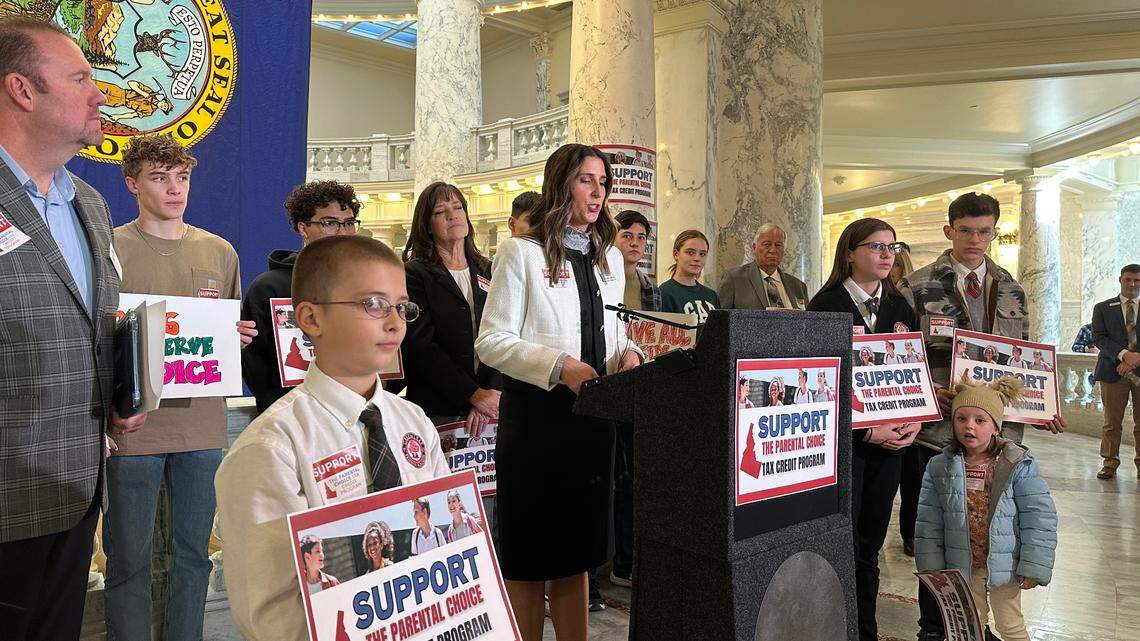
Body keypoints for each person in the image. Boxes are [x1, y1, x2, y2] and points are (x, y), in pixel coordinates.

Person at [215, 236, 449, 641]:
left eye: (402, 307)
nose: (395, 322)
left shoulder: (414, 422)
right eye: (372, 304)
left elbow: (445, 544)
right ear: (310, 319)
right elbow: (273, 612)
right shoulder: (272, 447)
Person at [0, 18, 146, 641]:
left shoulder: (89, 201)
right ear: (22, 90)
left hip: (80, 486)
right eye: (81, 78)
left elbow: (90, 319)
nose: (101, 93)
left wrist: (122, 386)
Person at [475, 143, 641, 641]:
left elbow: (605, 329)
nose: (598, 192)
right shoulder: (520, 252)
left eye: (603, 182)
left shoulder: (608, 255)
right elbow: (491, 341)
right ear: (560, 184)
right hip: (538, 425)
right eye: (586, 180)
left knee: (577, 558)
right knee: (530, 559)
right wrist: (559, 366)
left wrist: (627, 352)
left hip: (592, 426)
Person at [104, 133, 256, 641]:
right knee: (128, 561)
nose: (174, 189)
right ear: (132, 183)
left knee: (193, 556)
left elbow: (227, 338)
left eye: (182, 177)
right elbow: (97, 338)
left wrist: (238, 337)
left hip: (202, 428)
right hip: (135, 429)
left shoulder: (220, 251)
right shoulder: (111, 249)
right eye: (159, 177)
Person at [897, 192, 1064, 641]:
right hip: (938, 437)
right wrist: (931, 394)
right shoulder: (916, 286)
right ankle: (938, 631)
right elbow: (901, 362)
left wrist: (1040, 403)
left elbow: (1023, 357)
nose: (976, 239)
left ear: (994, 231)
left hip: (1001, 439)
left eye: (985, 231)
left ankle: (987, 627)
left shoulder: (1011, 286)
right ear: (949, 231)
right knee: (938, 539)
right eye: (966, 230)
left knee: (997, 535)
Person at [806, 217, 920, 641]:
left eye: (892, 246)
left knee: (870, 547)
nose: (887, 254)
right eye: (876, 246)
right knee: (842, 545)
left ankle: (865, 630)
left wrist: (912, 421)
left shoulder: (900, 307)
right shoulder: (825, 306)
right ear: (850, 253)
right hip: (844, 450)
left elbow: (911, 375)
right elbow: (815, 389)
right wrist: (864, 433)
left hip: (891, 448)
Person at [915, 375, 1057, 641]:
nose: (969, 426)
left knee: (1010, 625)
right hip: (964, 564)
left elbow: (1039, 517)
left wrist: (1034, 565)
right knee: (971, 627)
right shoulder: (939, 467)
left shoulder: (1017, 464)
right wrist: (933, 568)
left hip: (1006, 564)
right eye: (962, 418)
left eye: (980, 420)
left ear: (995, 427)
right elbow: (928, 523)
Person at [242, 180, 363, 414]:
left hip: (357, 413)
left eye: (348, 223)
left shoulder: (367, 284)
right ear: (303, 228)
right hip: (293, 418)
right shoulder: (269, 287)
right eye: (329, 223)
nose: (342, 232)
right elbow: (256, 368)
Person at [400, 181, 502, 434]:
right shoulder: (415, 273)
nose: (452, 215)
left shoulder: (488, 269)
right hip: (438, 406)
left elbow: (506, 332)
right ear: (427, 226)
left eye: (457, 207)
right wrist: (473, 394)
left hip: (492, 404)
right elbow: (420, 345)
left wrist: (490, 394)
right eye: (439, 211)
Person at [1092, 264, 1140, 480]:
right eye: (1128, 279)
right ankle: (1109, 463)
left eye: (1137, 280)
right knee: (1112, 422)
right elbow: (1099, 338)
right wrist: (1122, 355)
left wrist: (1134, 359)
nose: (1132, 284)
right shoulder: (1103, 307)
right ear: (1120, 280)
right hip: (1112, 371)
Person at [717, 223, 810, 310]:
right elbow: (720, 321)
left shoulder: (799, 287)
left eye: (778, 245)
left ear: (784, 251)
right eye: (767, 244)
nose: (773, 250)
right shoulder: (734, 280)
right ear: (754, 248)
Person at [659, 229, 719, 322]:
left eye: (702, 254)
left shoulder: (711, 296)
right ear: (676, 254)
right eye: (690, 252)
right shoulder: (665, 293)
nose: (697, 258)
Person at [614, 209, 660, 312]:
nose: (635, 243)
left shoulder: (652, 290)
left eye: (641, 237)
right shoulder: (596, 279)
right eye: (627, 236)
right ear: (612, 238)